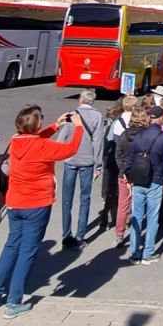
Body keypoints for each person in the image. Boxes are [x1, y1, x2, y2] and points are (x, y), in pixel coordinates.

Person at [0, 106, 83, 317]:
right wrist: (78, 127)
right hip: (36, 203)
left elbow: (33, 138)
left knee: (11, 246)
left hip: (15, 202)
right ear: (37, 125)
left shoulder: (15, 141)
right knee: (27, 252)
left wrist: (55, 126)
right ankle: (13, 301)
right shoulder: (43, 146)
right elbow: (71, 149)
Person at [123, 105, 163, 264]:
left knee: (137, 216)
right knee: (152, 217)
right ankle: (148, 252)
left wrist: (128, 177)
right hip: (156, 180)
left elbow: (130, 158)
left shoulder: (139, 135)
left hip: (138, 179)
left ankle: (134, 252)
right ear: (160, 118)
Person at [60, 90, 105, 248]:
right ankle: (80, 236)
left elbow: (62, 138)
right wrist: (98, 165)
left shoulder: (71, 115)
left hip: (71, 159)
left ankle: (66, 235)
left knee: (67, 200)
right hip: (87, 161)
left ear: (80, 100)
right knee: (84, 199)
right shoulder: (97, 116)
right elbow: (98, 142)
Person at [107, 96, 139, 244]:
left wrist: (121, 168)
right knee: (137, 201)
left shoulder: (118, 123)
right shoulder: (140, 125)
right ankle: (134, 232)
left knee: (123, 202)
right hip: (137, 167)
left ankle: (119, 234)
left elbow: (116, 146)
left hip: (123, 167)